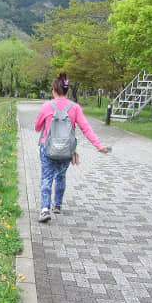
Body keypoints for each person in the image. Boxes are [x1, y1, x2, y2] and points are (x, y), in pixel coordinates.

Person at [34, 73, 108, 222]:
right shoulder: (75, 108)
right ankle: (58, 205)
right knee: (61, 176)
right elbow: (86, 128)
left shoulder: (46, 106)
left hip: (48, 148)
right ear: (67, 92)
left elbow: (37, 127)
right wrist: (98, 145)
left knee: (46, 178)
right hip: (67, 150)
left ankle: (44, 209)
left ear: (54, 91)